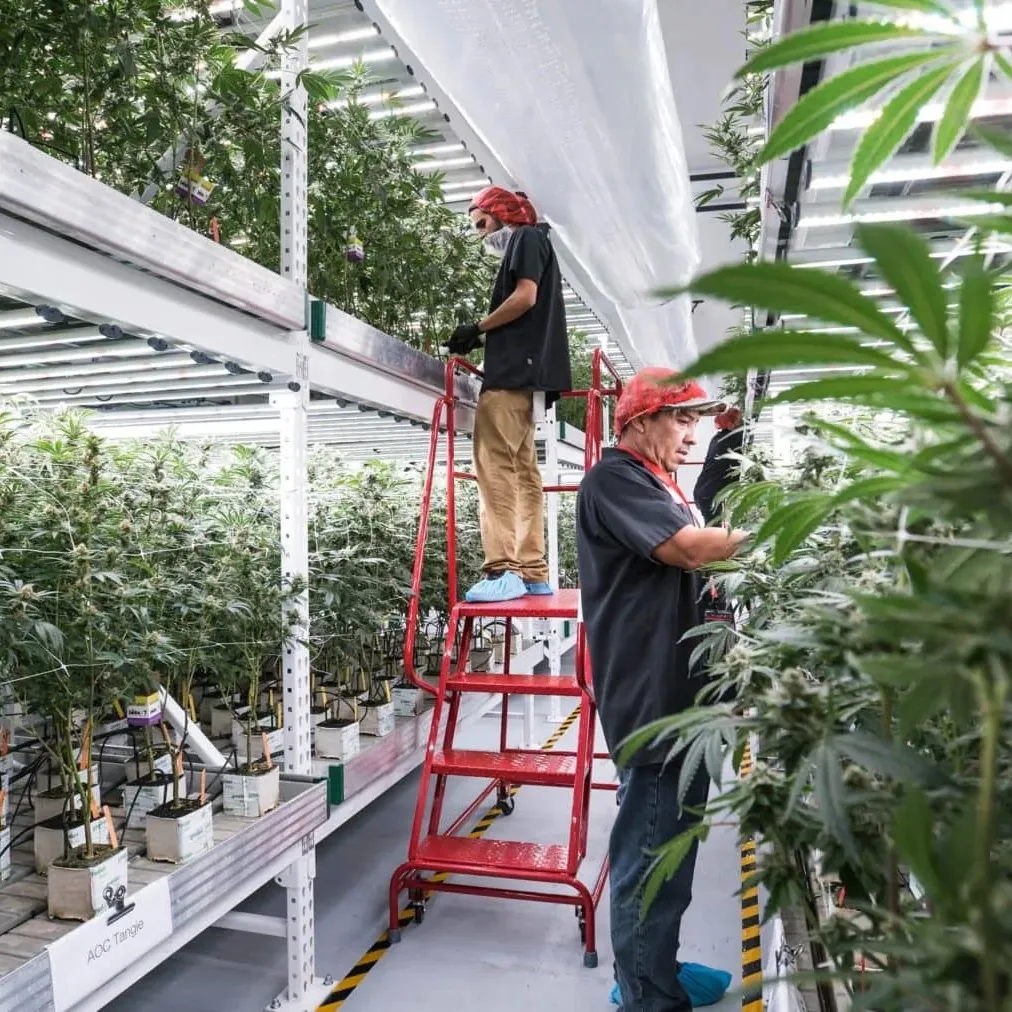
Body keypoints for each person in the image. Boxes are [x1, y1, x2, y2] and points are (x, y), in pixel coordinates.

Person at [575, 368, 748, 1012]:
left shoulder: (663, 484)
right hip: (652, 706)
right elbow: (685, 551)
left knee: (673, 851)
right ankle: (647, 994)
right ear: (639, 421)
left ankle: (658, 971)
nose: (691, 432)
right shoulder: (614, 477)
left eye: (695, 420)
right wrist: (778, 533)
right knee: (651, 856)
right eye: (680, 418)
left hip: (685, 700)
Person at [446, 186, 571, 604]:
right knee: (523, 475)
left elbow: (524, 296)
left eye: (482, 223)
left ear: (502, 215)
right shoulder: (538, 242)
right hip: (529, 379)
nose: (482, 234)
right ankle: (533, 571)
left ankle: (502, 568)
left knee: (494, 469)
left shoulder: (527, 237)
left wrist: (477, 329)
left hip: (512, 377)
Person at [694, 406, 744, 527]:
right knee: (714, 531)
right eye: (738, 420)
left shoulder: (718, 438)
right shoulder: (732, 438)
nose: (741, 422)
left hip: (704, 490)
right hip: (709, 493)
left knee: (714, 527)